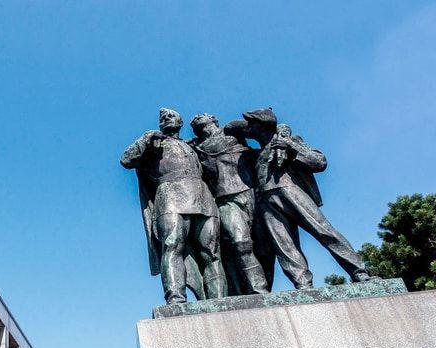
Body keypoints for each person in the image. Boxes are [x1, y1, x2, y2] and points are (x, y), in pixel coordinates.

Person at [239, 108, 372, 289]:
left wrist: (289, 145)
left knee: (324, 231)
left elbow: (319, 162)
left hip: (290, 191)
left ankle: (359, 272)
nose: (248, 127)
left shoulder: (288, 141)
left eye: (251, 123)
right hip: (265, 201)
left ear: (262, 125)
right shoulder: (255, 153)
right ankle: (303, 285)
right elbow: (233, 129)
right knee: (284, 247)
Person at [121, 108, 226, 304]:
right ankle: (176, 299)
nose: (166, 118)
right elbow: (126, 160)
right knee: (172, 245)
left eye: (171, 115)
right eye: (162, 118)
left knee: (211, 251)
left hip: (202, 196)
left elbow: (214, 172)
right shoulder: (154, 144)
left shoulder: (193, 146)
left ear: (180, 122)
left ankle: (219, 302)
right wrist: (146, 137)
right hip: (170, 196)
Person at [190, 114, 269, 295]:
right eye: (195, 121)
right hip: (225, 199)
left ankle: (253, 291)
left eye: (203, 117)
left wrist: (283, 131)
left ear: (214, 120)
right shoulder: (196, 147)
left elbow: (264, 127)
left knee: (264, 248)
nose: (197, 117)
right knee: (241, 242)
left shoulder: (232, 130)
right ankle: (260, 292)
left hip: (253, 194)